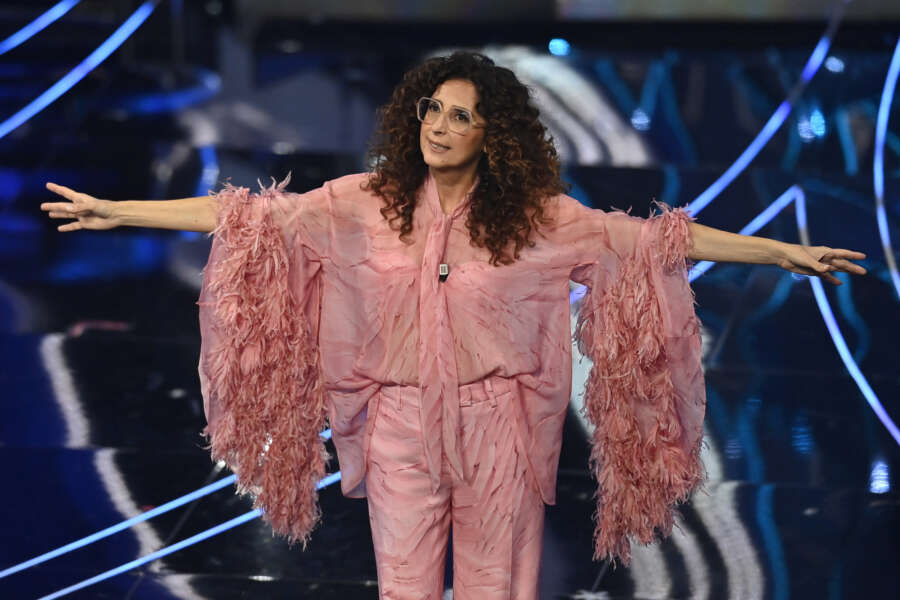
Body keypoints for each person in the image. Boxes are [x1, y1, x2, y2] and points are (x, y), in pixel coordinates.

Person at [41, 51, 866, 599]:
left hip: (498, 425)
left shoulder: (543, 218)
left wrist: (778, 253)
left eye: (461, 116)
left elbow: (652, 239)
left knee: (494, 585)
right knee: (402, 586)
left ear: (493, 134)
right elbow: (249, 217)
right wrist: (120, 210)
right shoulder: (360, 202)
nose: (439, 125)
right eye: (432, 110)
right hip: (397, 423)